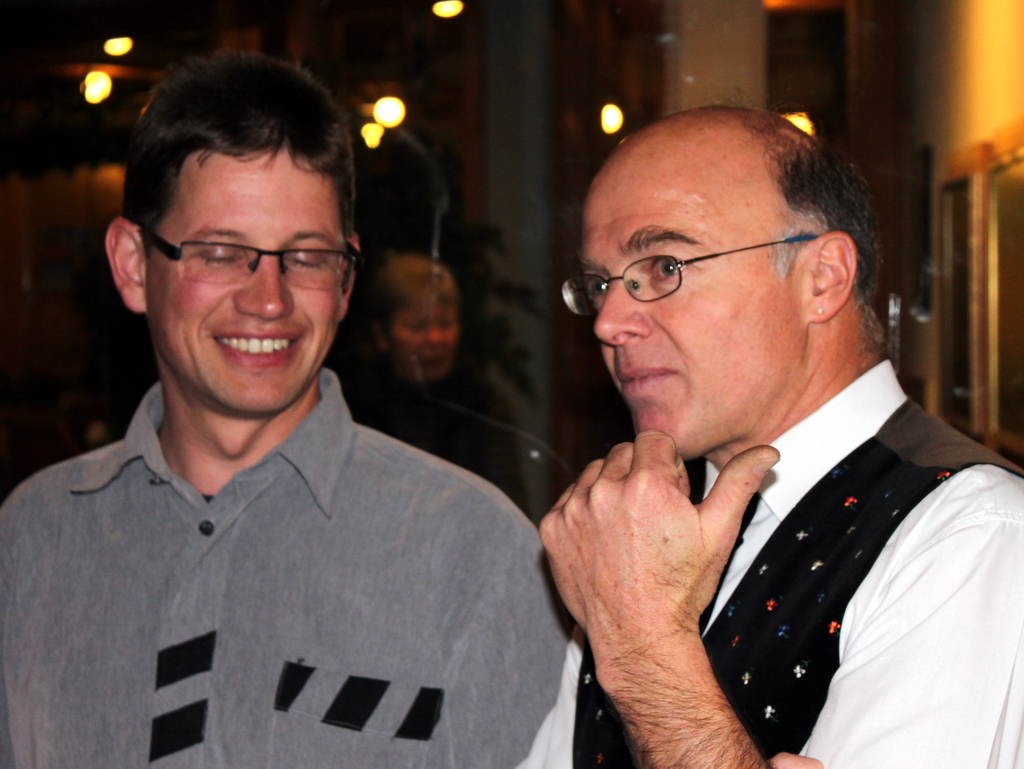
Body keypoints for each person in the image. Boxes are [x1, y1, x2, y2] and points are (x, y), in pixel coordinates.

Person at [0, 52, 566, 768]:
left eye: (306, 257)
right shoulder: (33, 539)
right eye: (219, 252)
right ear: (134, 264)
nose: (268, 300)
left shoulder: (474, 557)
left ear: (346, 280)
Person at [524, 107, 1024, 769]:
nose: (609, 321)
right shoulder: (641, 527)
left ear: (824, 277)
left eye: (665, 266)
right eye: (598, 284)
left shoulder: (970, 535)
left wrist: (642, 647)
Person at [345, 251, 528, 509]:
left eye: (445, 324)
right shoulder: (355, 408)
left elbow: (509, 507)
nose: (435, 339)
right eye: (417, 326)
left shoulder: (482, 405)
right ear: (382, 335)